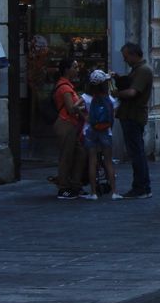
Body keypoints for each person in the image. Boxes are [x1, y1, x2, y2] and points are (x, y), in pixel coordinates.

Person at [115, 42, 153, 199]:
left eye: (126, 57)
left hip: (133, 115)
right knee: (137, 152)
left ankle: (141, 187)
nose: (125, 60)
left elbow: (132, 92)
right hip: (130, 114)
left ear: (133, 54)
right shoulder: (138, 70)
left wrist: (116, 93)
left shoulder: (143, 71)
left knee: (136, 153)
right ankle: (142, 186)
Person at [81, 69, 121, 200]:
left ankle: (93, 193)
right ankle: (114, 192)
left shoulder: (85, 98)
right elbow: (114, 114)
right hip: (105, 131)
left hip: (90, 131)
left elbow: (75, 107)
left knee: (92, 161)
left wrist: (85, 116)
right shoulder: (108, 98)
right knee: (108, 161)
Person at [52, 57, 88, 200]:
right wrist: (82, 104)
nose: (76, 70)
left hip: (71, 124)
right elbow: (71, 109)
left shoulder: (68, 86)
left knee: (80, 153)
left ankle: (75, 184)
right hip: (66, 123)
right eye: (74, 67)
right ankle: (63, 188)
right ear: (67, 69)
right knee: (66, 156)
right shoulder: (65, 88)